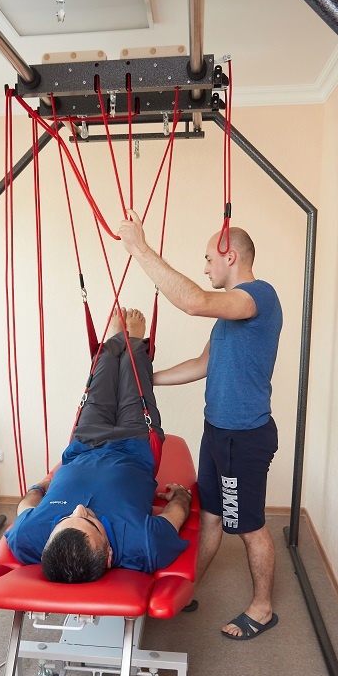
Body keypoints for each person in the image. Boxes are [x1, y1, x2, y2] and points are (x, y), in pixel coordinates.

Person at [117, 211, 282, 641]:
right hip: (217, 432)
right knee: (209, 517)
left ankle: (263, 608)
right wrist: (145, 379)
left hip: (243, 437)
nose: (205, 268)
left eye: (209, 259)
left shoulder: (258, 296)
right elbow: (201, 364)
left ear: (230, 255)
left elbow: (193, 302)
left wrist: (139, 248)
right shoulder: (228, 316)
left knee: (248, 526)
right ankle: (187, 587)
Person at [4, 307, 192, 583]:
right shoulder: (143, 544)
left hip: (84, 443)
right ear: (109, 555)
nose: (79, 509)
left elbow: (25, 507)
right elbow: (176, 514)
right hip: (135, 444)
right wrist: (181, 496)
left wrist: (40, 486)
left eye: (65, 519)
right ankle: (132, 341)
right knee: (133, 371)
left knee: (102, 367)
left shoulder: (27, 538)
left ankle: (116, 339)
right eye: (89, 520)